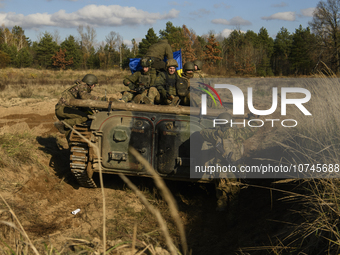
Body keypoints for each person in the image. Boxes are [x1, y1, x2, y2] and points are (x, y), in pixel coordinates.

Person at [199, 112, 256, 211]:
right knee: (235, 197)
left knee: (221, 195)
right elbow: (254, 127)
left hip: (221, 171)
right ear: (230, 122)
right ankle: (232, 219)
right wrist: (252, 118)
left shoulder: (215, 135)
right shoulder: (239, 133)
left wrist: (216, 131)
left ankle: (219, 218)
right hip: (235, 170)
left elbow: (202, 132)